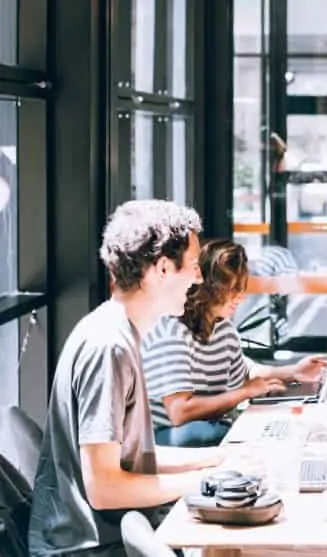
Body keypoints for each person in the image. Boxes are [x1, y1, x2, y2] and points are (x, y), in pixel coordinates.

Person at [28, 200, 220, 557]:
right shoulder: (109, 347)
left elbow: (131, 459)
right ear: (163, 268)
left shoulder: (117, 331)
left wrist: (218, 460)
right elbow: (105, 488)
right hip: (90, 549)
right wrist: (206, 482)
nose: (198, 278)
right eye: (193, 266)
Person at [142, 238, 327, 447]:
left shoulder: (223, 329)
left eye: (242, 288)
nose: (240, 297)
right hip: (165, 435)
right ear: (209, 287)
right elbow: (179, 412)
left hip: (205, 426)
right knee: (207, 433)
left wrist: (294, 371)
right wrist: (243, 393)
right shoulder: (173, 331)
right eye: (233, 289)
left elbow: (247, 372)